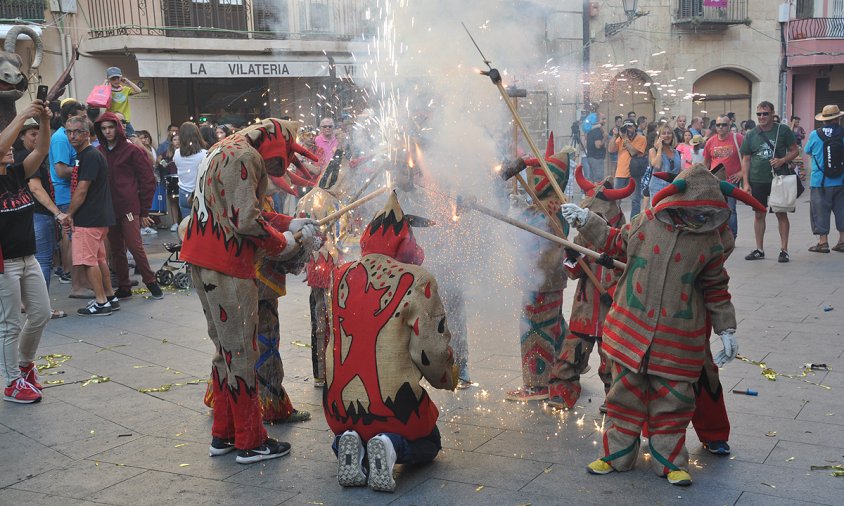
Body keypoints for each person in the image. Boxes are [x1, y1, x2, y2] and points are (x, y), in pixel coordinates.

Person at [561, 164, 766, 487]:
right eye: (694, 212)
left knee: (673, 402)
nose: (699, 219)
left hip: (678, 339)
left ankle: (669, 459)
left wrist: (727, 328)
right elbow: (615, 241)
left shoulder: (711, 242)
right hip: (631, 330)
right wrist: (587, 221)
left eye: (706, 214)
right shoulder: (645, 223)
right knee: (622, 396)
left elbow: (716, 287)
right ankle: (616, 454)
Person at [180, 118, 318, 464]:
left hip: (201, 260)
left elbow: (239, 211)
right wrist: (283, 242)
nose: (276, 173)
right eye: (279, 164)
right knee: (242, 353)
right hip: (227, 266)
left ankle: (224, 434)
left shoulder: (220, 148)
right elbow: (245, 222)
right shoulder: (247, 157)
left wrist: (290, 223)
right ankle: (250, 440)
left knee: (224, 351)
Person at [325, 191, 455, 492]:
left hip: (339, 409)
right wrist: (447, 377)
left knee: (356, 428)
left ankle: (349, 444)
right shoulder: (417, 278)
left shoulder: (341, 274)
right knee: (430, 442)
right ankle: (392, 445)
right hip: (394, 410)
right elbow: (429, 350)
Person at [547, 168, 633, 410]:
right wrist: (573, 257)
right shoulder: (583, 238)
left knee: (612, 361)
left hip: (611, 311)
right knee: (570, 356)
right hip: (584, 309)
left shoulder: (625, 238)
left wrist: (615, 266)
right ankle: (562, 393)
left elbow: (633, 273)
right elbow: (572, 273)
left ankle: (615, 400)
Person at [505, 140, 571, 402]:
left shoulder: (542, 209)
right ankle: (562, 370)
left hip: (539, 282)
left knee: (534, 330)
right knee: (553, 324)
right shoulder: (559, 206)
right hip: (552, 281)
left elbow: (524, 239)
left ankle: (537, 385)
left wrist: (515, 210)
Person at [1, 100, 53, 403]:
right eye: (6, 145)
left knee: (41, 313)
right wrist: (22, 115)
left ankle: (24, 365)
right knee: (8, 323)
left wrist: (44, 121)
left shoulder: (16, 174)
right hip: (3, 263)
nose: (11, 148)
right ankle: (11, 382)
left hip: (27, 257)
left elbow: (41, 150)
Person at [93, 112, 164, 301]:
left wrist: (144, 210)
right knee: (116, 249)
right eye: (104, 128)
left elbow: (147, 180)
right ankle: (124, 285)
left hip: (129, 208)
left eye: (111, 127)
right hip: (110, 208)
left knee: (134, 245)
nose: (108, 131)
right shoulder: (100, 150)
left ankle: (151, 282)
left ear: (118, 127)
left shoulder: (131, 150)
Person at [64, 116, 118, 316]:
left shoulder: (90, 156)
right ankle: (110, 297)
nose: (72, 135)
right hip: (96, 217)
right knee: (99, 259)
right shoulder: (84, 155)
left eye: (77, 131)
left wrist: (69, 213)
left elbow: (82, 189)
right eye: (68, 131)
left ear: (86, 134)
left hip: (89, 218)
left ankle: (101, 302)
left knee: (89, 261)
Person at [14, 119, 67, 317]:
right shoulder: (28, 157)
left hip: (26, 216)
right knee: (42, 262)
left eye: (39, 133)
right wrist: (57, 212)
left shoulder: (20, 156)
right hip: (38, 215)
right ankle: (42, 308)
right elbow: (36, 188)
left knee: (30, 263)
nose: (37, 138)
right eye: (32, 134)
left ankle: (26, 303)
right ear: (21, 136)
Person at [741, 101, 800, 263]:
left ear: (772, 114)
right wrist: (746, 183)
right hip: (757, 179)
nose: (761, 117)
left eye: (765, 113)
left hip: (778, 179)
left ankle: (784, 250)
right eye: (759, 114)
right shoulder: (751, 134)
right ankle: (759, 249)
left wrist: (782, 160)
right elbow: (745, 159)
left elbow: (795, 150)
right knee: (759, 214)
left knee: (781, 213)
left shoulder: (783, 130)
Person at [49, 100, 87, 292]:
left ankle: (74, 274)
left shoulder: (66, 137)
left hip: (69, 191)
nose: (85, 120)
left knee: (71, 233)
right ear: (70, 118)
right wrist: (84, 171)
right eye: (81, 117)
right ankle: (70, 273)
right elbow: (61, 170)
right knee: (69, 234)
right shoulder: (61, 139)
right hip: (64, 192)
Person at [804, 105, 844, 253]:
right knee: (841, 210)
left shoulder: (815, 134)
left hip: (819, 181)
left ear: (824, 120)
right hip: (840, 180)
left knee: (819, 211)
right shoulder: (843, 133)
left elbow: (807, 150)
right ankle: (842, 241)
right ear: (838, 119)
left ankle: (823, 242)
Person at [704, 115, 745, 237]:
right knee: (715, 209)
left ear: (729, 126)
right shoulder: (710, 141)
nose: (721, 127)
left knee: (730, 209)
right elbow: (706, 162)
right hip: (715, 180)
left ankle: (732, 236)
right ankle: (718, 235)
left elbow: (748, 158)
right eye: (718, 125)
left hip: (731, 180)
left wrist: (741, 173)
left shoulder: (738, 138)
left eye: (724, 124)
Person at [608, 119, 647, 218]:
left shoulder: (641, 138)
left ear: (635, 127)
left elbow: (634, 152)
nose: (628, 129)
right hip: (620, 173)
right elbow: (611, 149)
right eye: (626, 126)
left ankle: (633, 223)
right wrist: (614, 135)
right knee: (616, 199)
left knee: (635, 200)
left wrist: (625, 137)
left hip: (634, 173)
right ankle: (615, 220)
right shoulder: (620, 138)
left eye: (630, 126)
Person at [174, 122, 207, 221]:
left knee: (187, 226)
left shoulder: (177, 153)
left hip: (183, 192)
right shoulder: (205, 154)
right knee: (201, 226)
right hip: (199, 193)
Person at [104, 67, 141, 136]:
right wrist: (105, 83)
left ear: (121, 78)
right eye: (113, 78)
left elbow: (139, 91)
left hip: (125, 121)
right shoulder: (107, 91)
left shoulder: (125, 89)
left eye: (118, 78)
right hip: (111, 121)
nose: (116, 80)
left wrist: (127, 81)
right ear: (109, 79)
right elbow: (101, 98)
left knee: (134, 139)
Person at [648, 125, 683, 197]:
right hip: (657, 190)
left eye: (669, 133)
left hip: (673, 190)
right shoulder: (653, 150)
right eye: (663, 133)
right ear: (659, 137)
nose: (666, 135)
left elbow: (679, 171)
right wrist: (659, 149)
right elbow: (657, 165)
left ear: (672, 136)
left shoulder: (676, 153)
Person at [585, 113, 607, 181]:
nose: (605, 121)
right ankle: (597, 192)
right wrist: (605, 138)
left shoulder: (591, 130)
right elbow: (598, 145)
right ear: (597, 121)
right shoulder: (597, 131)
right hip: (596, 158)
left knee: (592, 179)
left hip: (592, 157)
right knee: (598, 180)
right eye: (603, 119)